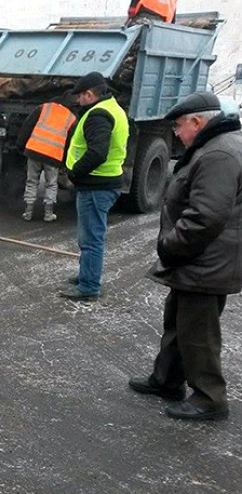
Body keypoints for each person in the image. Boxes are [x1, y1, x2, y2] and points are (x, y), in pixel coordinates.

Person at [129, 92, 242, 421]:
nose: (176, 133)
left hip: (206, 259)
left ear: (197, 121)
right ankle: (167, 380)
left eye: (179, 126)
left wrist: (172, 246)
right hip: (201, 257)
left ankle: (210, 398)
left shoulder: (218, 154)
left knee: (198, 331)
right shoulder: (215, 146)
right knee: (179, 320)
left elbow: (206, 217)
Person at [58, 72, 128, 301]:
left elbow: (97, 153)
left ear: (89, 94)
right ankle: (86, 275)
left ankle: (88, 286)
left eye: (79, 96)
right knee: (89, 236)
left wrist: (74, 172)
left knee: (91, 239)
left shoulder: (98, 115)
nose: (78, 101)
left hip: (97, 185)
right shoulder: (112, 108)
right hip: (103, 182)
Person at [17, 94, 77, 222]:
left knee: (31, 181)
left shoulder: (43, 108)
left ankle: (28, 212)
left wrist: (21, 146)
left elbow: (27, 126)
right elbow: (71, 142)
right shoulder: (71, 118)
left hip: (34, 151)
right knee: (51, 184)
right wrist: (64, 161)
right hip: (53, 155)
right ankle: (48, 214)